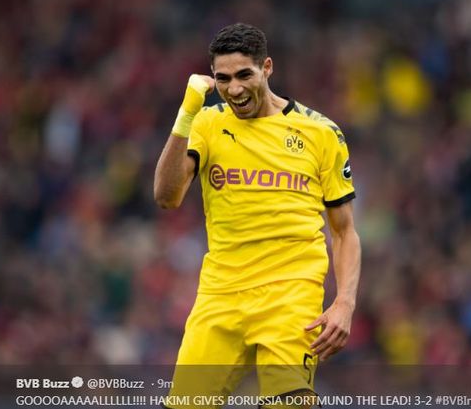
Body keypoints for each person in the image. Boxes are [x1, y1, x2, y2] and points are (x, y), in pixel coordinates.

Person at [154, 23, 361, 407]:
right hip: (221, 295)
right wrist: (186, 113)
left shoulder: (321, 133)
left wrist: (344, 302)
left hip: (290, 294)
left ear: (267, 67)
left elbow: (344, 231)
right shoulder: (208, 124)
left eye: (244, 75)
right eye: (223, 78)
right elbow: (167, 197)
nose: (234, 89)